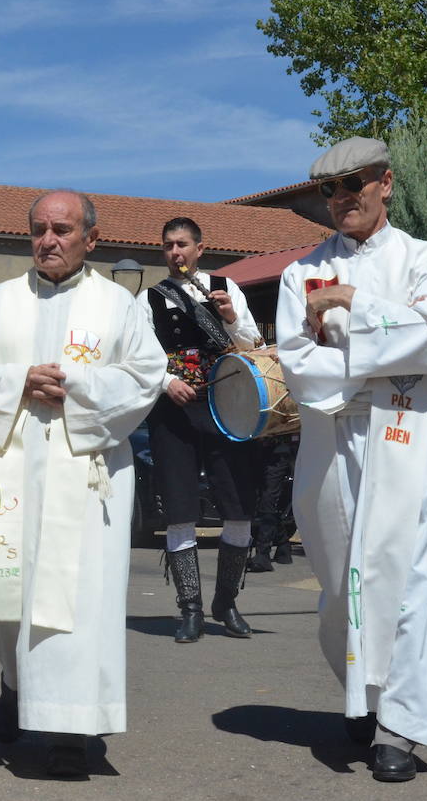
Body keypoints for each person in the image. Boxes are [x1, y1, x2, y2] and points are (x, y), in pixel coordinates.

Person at [0, 190, 166, 776]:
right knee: (0, 588)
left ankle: (69, 729)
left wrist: (76, 388)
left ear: (91, 239)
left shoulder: (119, 306)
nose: (48, 240)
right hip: (9, 473)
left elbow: (146, 377)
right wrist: (18, 381)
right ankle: (16, 683)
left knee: (80, 599)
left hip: (87, 477)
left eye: (62, 230)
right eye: (39, 229)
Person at [276, 137, 427, 783]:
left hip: (410, 433)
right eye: (329, 189)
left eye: (353, 183)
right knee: (340, 585)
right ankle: (362, 689)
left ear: (385, 183)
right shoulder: (302, 275)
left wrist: (354, 308)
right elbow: (302, 368)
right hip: (332, 441)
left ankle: (398, 727)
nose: (340, 199)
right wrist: (387, 358)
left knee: (408, 582)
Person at [137, 217, 264, 642]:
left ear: (199, 248)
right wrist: (165, 382)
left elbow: (252, 347)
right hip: (173, 411)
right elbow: (139, 353)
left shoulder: (227, 288)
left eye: (182, 245)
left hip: (227, 408)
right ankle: (189, 607)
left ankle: (226, 603)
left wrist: (229, 318)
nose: (175, 253)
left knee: (239, 509)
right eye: (168, 245)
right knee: (180, 511)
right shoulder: (148, 298)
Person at [246, 433, 298, 572]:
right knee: (260, 497)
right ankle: (283, 545)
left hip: (279, 448)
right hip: (259, 446)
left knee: (268, 498)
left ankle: (263, 552)